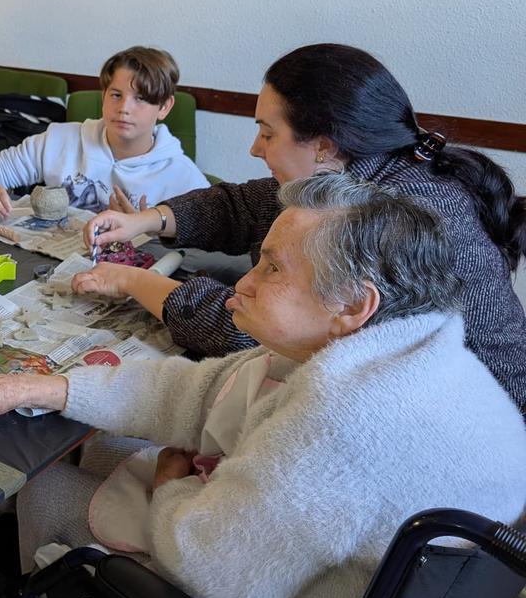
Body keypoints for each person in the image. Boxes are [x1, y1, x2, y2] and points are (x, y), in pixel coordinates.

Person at [0, 174, 526, 598]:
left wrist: (173, 484)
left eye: (271, 269)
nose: (240, 285)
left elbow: (213, 579)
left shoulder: (345, 414)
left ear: (354, 304)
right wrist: (47, 387)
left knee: (44, 487)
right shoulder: (414, 345)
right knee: (109, 444)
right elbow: (197, 390)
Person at [75, 43, 526, 409]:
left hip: (451, 440)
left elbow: (250, 329)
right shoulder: (365, 169)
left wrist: (133, 280)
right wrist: (147, 219)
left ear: (325, 146)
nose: (255, 148)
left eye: (268, 133)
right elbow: (244, 205)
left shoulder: (387, 217)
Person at [0, 47, 208, 218]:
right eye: (116, 95)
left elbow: (213, 242)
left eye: (141, 99)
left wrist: (149, 228)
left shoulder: (182, 175)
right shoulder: (61, 140)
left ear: (164, 107)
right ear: (103, 96)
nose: (124, 109)